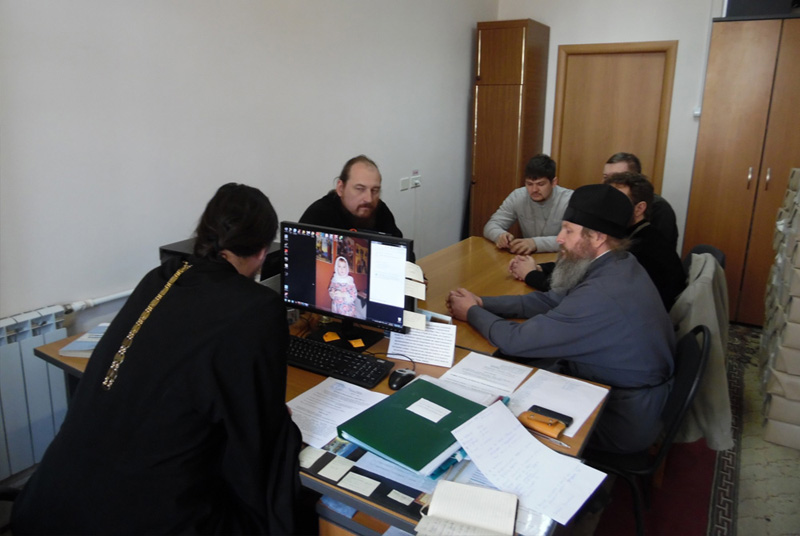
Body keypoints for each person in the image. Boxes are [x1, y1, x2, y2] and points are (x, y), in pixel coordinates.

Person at [12, 184, 304, 534]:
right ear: (263, 252)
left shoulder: (162, 277)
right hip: (141, 519)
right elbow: (255, 435)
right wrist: (276, 418)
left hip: (49, 502)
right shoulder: (258, 306)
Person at [449, 184, 675, 454]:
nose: (559, 238)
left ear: (597, 237)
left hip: (621, 416)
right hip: (616, 387)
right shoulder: (619, 262)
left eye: (568, 230)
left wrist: (471, 312)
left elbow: (516, 341)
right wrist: (483, 302)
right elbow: (550, 300)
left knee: (498, 408)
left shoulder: (601, 294)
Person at [510, 172, 687, 310]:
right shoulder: (630, 233)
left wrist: (530, 275)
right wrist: (542, 268)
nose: (604, 208)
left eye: (617, 202)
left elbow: (577, 290)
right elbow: (584, 265)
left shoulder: (640, 249)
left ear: (639, 208)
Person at [483, 154, 573, 254]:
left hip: (561, 257)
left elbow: (575, 239)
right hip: (528, 257)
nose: (534, 190)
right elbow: (491, 225)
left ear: (554, 182)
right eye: (529, 184)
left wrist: (536, 243)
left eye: (540, 184)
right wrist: (500, 235)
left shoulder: (570, 200)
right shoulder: (517, 196)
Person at [300, 154, 404, 237]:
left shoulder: (381, 211)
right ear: (341, 188)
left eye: (375, 190)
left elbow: (402, 251)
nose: (369, 199)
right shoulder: (318, 216)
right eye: (360, 189)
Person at [603, 152, 679, 250]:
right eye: (606, 177)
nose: (608, 183)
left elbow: (659, 249)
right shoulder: (603, 202)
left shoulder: (660, 208)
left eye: (618, 178)